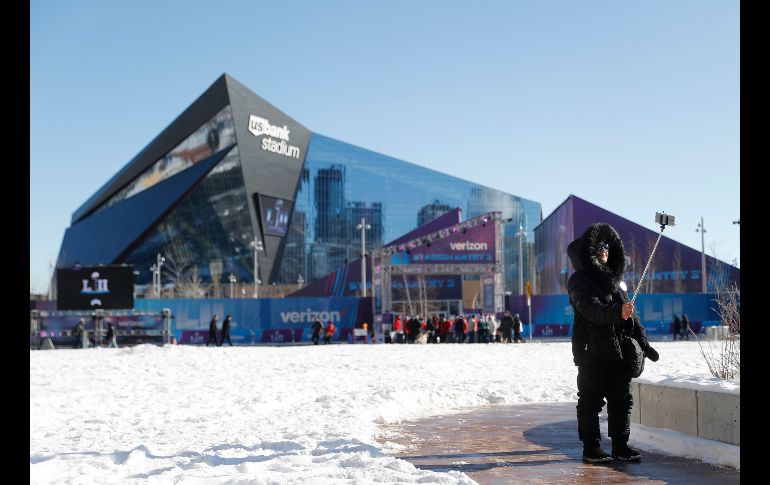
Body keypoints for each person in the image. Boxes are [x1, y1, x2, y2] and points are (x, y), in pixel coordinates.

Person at [567, 223, 659, 463]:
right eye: (599, 246)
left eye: (607, 246)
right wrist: (618, 312)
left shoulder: (616, 282)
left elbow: (631, 316)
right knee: (590, 402)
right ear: (588, 252)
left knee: (621, 401)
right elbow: (591, 310)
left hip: (619, 352)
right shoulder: (579, 281)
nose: (604, 250)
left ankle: (621, 446)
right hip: (592, 351)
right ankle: (591, 448)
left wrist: (644, 343)